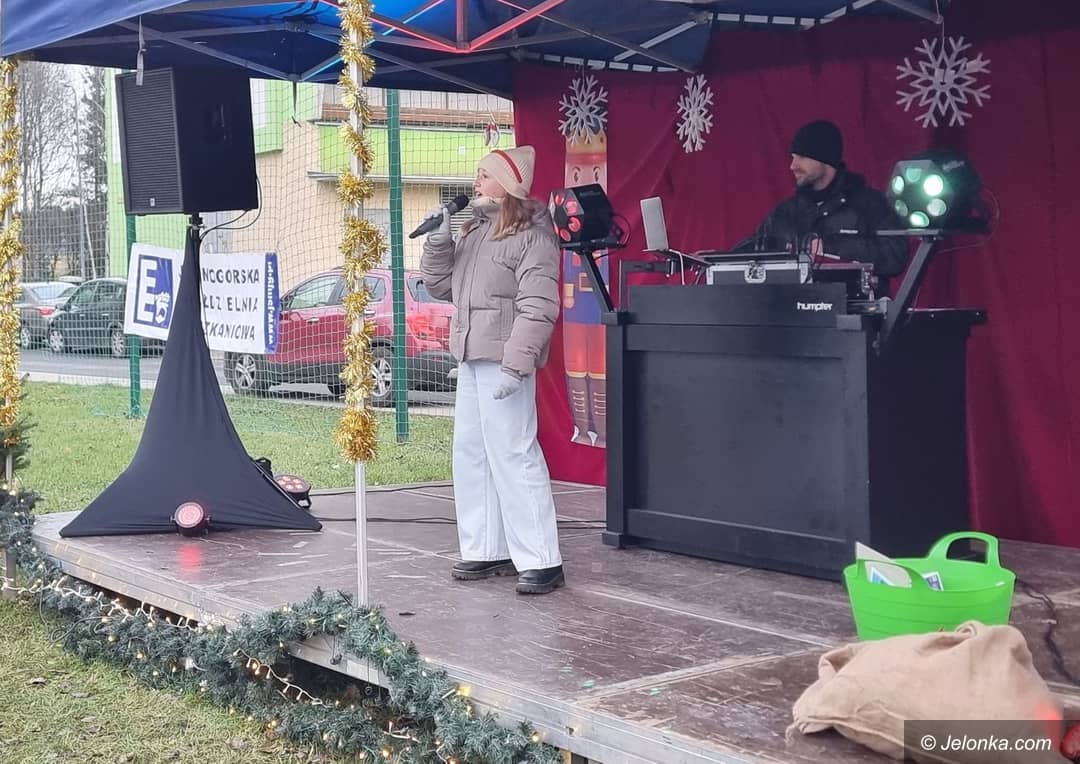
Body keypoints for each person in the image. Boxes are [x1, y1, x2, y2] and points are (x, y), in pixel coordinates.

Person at [419, 145, 565, 596]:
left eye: (484, 175)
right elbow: (441, 286)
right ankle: (485, 548)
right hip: (471, 356)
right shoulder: (475, 231)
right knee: (472, 454)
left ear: (509, 184)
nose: (476, 182)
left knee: (513, 454)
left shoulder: (534, 238)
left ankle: (541, 559)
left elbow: (538, 306)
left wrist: (516, 366)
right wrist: (439, 241)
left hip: (504, 362)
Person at [743, 120, 909, 290]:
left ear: (826, 159)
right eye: (793, 157)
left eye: (801, 157)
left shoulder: (869, 204)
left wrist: (830, 248)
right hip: (791, 305)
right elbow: (747, 253)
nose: (793, 166)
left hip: (851, 305)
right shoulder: (785, 212)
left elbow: (895, 256)